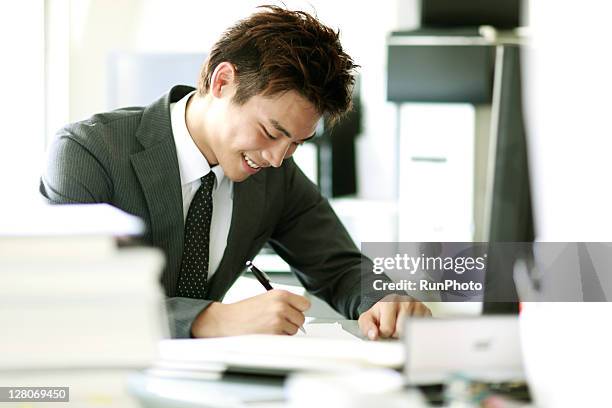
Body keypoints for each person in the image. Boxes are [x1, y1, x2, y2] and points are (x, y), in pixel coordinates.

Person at [40, 5, 430, 340]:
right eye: (271, 132)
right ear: (222, 81)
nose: (279, 158)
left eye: (296, 143)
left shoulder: (275, 174)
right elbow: (76, 300)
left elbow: (338, 266)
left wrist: (382, 299)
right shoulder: (87, 152)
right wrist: (212, 318)